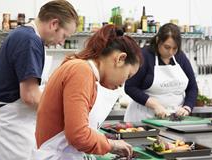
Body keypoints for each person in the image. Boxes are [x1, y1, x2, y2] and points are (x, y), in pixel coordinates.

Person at [33, 24, 143, 159]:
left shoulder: (81, 69)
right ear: (120, 59)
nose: (122, 84)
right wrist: (111, 144)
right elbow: (78, 135)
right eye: (128, 76)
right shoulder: (81, 71)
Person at [0, 0, 78, 159]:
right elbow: (30, 96)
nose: (62, 42)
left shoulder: (27, 36)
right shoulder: (29, 40)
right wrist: (65, 114)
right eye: (64, 36)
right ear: (54, 24)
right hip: (14, 124)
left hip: (17, 121)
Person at [124, 23, 198, 122]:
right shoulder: (144, 55)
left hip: (173, 120)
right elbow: (130, 87)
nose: (171, 52)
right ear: (158, 40)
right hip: (144, 118)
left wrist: (187, 107)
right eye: (167, 47)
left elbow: (192, 87)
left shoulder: (180, 57)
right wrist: (155, 105)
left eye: (175, 48)